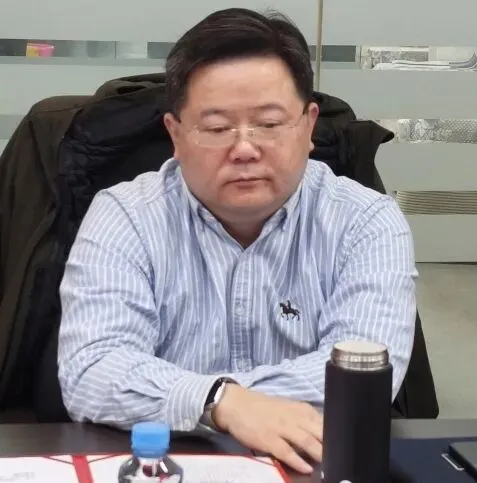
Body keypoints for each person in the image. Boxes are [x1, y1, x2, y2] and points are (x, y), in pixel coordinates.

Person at [58, 8, 417, 474]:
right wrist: (220, 402)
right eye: (216, 128)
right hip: (163, 467)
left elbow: (358, 383)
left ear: (309, 126)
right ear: (175, 134)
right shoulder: (124, 216)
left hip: (309, 465)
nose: (245, 148)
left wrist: (197, 398)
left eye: (269, 123)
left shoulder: (367, 222)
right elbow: (91, 371)